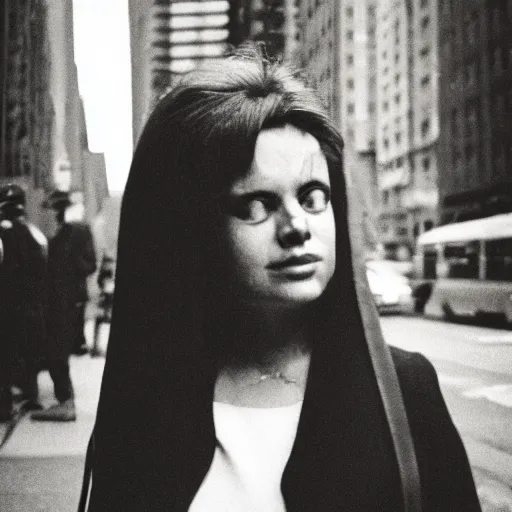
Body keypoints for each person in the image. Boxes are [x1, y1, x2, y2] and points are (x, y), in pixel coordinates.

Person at [80, 46, 481, 511]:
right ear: (192, 229)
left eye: (313, 197)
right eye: (256, 205)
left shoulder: (404, 392)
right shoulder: (145, 402)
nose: (297, 228)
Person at [32, 190, 97, 422]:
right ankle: (65, 400)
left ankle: (66, 402)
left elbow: (89, 265)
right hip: (57, 301)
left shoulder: (75, 233)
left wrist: (71, 264)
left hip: (66, 302)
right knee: (55, 351)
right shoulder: (53, 237)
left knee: (56, 351)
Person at [0, 184, 47, 420]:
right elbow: (41, 268)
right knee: (29, 352)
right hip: (29, 305)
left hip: (7, 305)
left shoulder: (3, 233)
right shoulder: (33, 232)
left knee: (5, 355)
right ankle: (30, 395)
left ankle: (4, 405)